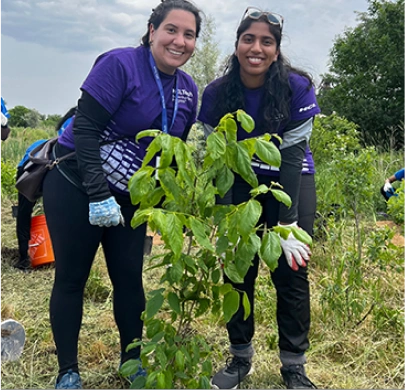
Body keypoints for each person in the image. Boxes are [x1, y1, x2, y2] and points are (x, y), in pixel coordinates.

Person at [41, 1, 202, 388]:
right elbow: (86, 131)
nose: (179, 41)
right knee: (71, 278)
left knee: (130, 280)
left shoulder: (187, 90)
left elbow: (172, 155)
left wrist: (167, 207)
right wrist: (98, 194)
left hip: (131, 198)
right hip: (76, 184)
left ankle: (132, 364)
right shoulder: (120, 65)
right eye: (171, 30)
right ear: (151, 31)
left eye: (189, 34)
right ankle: (68, 371)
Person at [198, 7, 320, 390]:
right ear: (236, 45)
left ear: (277, 49)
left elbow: (292, 154)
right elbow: (219, 159)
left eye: (266, 41)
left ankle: (293, 366)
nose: (256, 48)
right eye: (248, 39)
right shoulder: (217, 93)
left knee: (292, 273)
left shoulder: (296, 86)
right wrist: (222, 214)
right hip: (240, 181)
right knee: (238, 272)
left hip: (290, 180)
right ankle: (239, 358)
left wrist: (287, 222)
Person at [13, 107, 76, 271]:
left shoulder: (72, 121)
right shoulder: (77, 120)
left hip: (47, 167)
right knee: (25, 212)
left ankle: (29, 257)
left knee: (25, 213)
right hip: (30, 170)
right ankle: (23, 257)